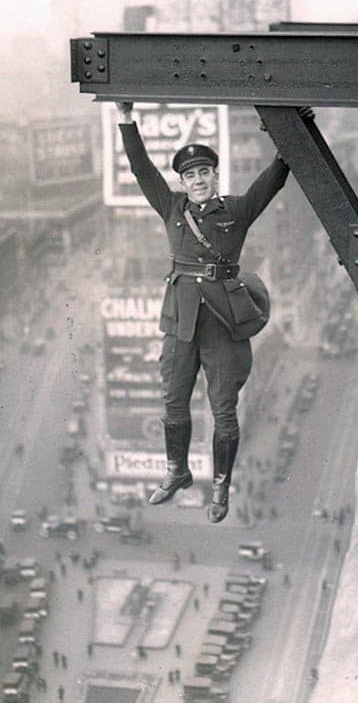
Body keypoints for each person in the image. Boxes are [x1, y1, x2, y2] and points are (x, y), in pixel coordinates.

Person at [116, 101, 304, 523]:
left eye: (204, 172)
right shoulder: (172, 207)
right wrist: (126, 119)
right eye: (189, 175)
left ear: (215, 176)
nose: (197, 180)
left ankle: (220, 487)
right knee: (173, 400)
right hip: (181, 323)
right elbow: (141, 168)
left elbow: (274, 178)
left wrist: (291, 129)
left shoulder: (236, 210)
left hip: (224, 324)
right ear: (182, 181)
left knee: (224, 411)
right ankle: (177, 471)